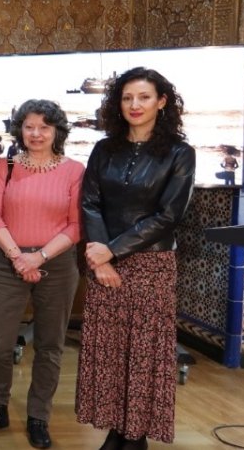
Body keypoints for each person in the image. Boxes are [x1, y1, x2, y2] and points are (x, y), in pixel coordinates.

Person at [76, 68, 195, 450]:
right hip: (103, 262)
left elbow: (169, 215)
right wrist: (101, 258)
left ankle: (136, 436)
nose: (134, 105)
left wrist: (112, 249)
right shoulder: (104, 149)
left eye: (144, 97)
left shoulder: (179, 152)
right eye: (127, 98)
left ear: (162, 102)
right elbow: (90, 203)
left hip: (151, 265)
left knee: (143, 354)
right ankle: (114, 430)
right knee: (109, 353)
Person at [0, 99, 84, 449]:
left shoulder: (75, 170)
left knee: (50, 345)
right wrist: (18, 256)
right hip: (8, 260)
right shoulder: (5, 165)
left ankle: (38, 416)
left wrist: (40, 257)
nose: (36, 134)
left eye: (44, 127)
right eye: (29, 126)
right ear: (20, 129)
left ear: (57, 131)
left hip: (59, 263)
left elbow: (76, 225)